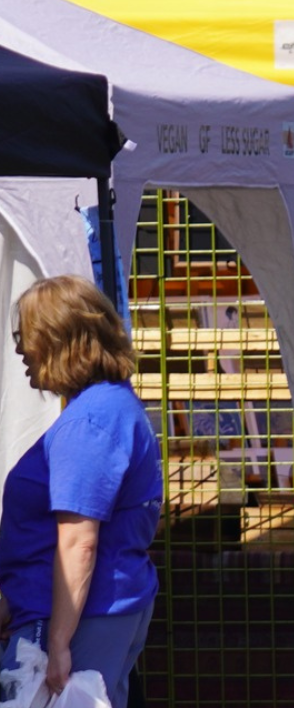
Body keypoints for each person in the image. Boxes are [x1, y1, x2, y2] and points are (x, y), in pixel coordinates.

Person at [1, 275, 160, 708]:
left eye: (26, 336)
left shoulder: (89, 421)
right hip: (92, 609)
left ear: (58, 339)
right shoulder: (109, 406)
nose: (19, 350)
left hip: (78, 617)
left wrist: (58, 642)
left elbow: (78, 540)